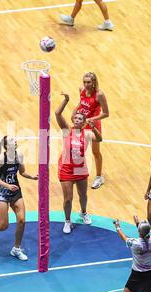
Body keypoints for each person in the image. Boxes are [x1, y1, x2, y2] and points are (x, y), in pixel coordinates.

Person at [0, 136, 38, 261]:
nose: (15, 141)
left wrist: (32, 177)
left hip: (15, 190)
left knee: (21, 220)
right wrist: (7, 186)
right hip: (2, 191)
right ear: (6, 146)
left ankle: (16, 249)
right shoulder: (1, 159)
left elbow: (22, 172)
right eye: (11, 140)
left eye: (15, 139)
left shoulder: (19, 155)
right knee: (3, 225)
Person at [56, 93, 102, 234]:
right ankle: (67, 221)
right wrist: (66, 100)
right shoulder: (67, 130)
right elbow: (57, 114)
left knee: (83, 195)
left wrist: (93, 127)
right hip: (66, 169)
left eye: (80, 118)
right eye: (75, 117)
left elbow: (99, 139)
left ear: (83, 122)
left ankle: (83, 212)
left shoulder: (87, 134)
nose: (76, 119)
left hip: (81, 169)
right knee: (68, 199)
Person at [72, 72, 109, 189]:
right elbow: (81, 102)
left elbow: (106, 113)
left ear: (94, 83)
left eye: (89, 82)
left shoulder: (99, 95)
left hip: (93, 125)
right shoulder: (81, 90)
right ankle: (78, 175)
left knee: (95, 152)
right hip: (82, 124)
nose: (86, 84)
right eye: (85, 82)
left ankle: (99, 177)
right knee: (79, 150)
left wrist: (90, 119)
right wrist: (75, 111)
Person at [114, 216, 151, 292]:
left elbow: (124, 237)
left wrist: (117, 227)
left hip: (136, 276)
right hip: (149, 275)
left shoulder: (135, 244)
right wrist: (138, 224)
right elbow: (144, 234)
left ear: (139, 231)